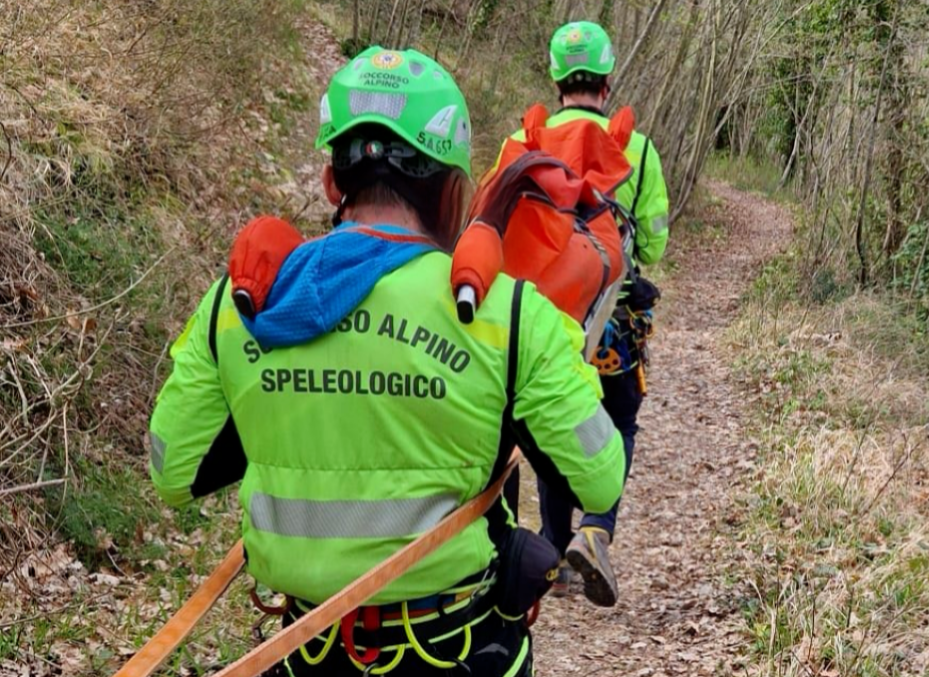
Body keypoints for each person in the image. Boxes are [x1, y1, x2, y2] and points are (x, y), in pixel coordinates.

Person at [147, 46, 626, 677]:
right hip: (455, 650)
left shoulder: (240, 305)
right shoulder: (508, 315)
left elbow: (171, 469)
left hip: (304, 652)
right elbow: (598, 475)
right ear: (456, 191)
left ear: (330, 182)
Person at [503, 21, 670, 608]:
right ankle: (597, 527)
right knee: (618, 419)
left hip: (539, 322)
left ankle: (552, 544)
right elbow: (652, 243)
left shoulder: (525, 141)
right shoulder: (639, 151)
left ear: (555, 77)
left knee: (552, 426)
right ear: (606, 78)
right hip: (614, 321)